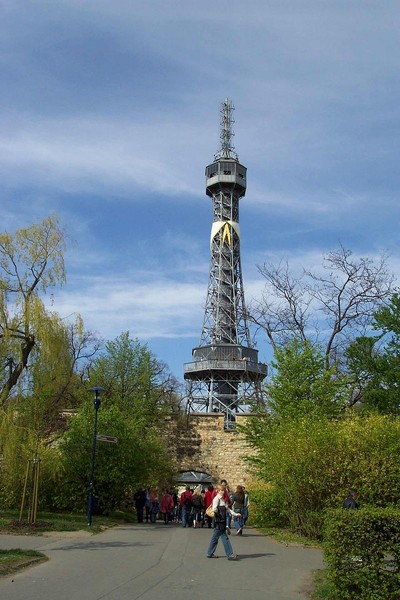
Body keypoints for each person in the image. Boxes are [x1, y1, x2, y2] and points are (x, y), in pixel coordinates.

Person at [206, 484, 241, 560]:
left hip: (221, 521)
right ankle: (230, 554)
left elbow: (228, 509)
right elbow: (214, 509)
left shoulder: (222, 499)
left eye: (223, 490)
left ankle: (210, 553)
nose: (223, 492)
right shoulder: (216, 499)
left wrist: (235, 514)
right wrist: (220, 509)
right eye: (221, 490)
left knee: (215, 538)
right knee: (224, 538)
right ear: (217, 491)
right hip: (219, 521)